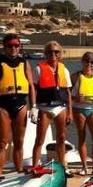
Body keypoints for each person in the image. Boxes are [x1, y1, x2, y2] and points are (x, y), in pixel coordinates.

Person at [0, 33, 36, 175]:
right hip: (3, 106)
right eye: (10, 46)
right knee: (2, 142)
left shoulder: (24, 63)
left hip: (21, 105)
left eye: (16, 45)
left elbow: (31, 85)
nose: (13, 48)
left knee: (19, 141)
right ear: (4, 46)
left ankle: (19, 171)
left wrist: (34, 107)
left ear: (20, 47)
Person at [31, 41, 73, 174]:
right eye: (49, 52)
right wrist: (33, 107)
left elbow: (68, 92)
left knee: (61, 137)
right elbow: (34, 89)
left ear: (60, 54)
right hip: (45, 108)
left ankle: (62, 166)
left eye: (56, 52)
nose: (53, 54)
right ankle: (35, 167)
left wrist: (70, 112)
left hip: (60, 107)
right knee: (40, 139)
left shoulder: (64, 70)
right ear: (45, 54)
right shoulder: (39, 69)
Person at [71, 52, 93, 175]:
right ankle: (84, 167)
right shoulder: (75, 76)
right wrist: (75, 99)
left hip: (92, 109)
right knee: (82, 138)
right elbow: (68, 95)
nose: (89, 64)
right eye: (87, 61)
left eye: (92, 62)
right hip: (78, 110)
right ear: (82, 61)